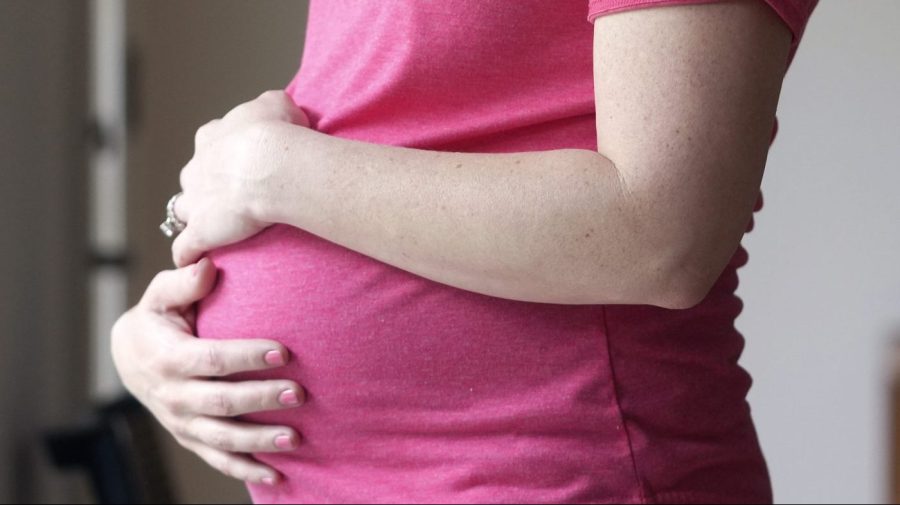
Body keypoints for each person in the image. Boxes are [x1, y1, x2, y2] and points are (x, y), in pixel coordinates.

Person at [111, 0, 818, 502]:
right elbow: (387, 121)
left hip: (561, 472)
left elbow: (662, 229)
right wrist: (175, 315)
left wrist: (272, 171)